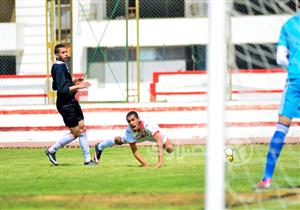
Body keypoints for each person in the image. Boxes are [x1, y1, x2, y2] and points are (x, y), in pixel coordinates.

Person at [257, 3, 300, 188]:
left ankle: (267, 178)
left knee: (282, 128)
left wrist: (292, 68)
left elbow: (280, 58)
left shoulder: (288, 25)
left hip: (295, 80)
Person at [45, 44, 95, 166]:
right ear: (56, 55)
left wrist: (73, 81)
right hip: (65, 104)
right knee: (75, 133)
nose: (66, 54)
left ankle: (88, 160)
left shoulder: (62, 66)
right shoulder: (58, 67)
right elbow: (61, 90)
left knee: (82, 127)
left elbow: (55, 86)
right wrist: (79, 86)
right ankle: (51, 150)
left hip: (71, 101)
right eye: (63, 52)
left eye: (66, 52)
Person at [94, 111, 174, 168]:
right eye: (129, 121)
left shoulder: (148, 124)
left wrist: (159, 163)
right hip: (137, 137)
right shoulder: (128, 132)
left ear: (138, 119)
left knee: (170, 149)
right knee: (119, 140)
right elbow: (135, 151)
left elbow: (159, 141)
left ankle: (165, 150)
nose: (131, 123)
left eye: (133, 120)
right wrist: (145, 164)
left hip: (152, 135)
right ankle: (100, 146)